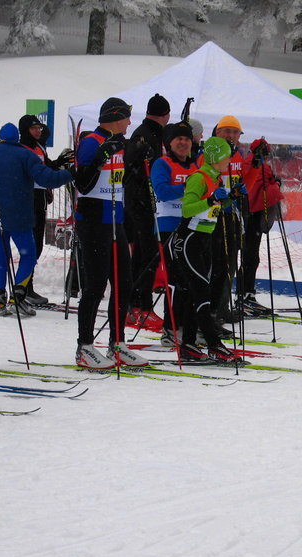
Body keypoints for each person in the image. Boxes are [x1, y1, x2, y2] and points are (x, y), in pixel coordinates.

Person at [73, 96, 148, 370]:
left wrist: (135, 161)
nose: (129, 122)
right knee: (95, 286)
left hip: (116, 218)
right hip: (94, 218)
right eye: (126, 117)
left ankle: (117, 343)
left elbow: (118, 180)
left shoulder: (120, 143)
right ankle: (85, 346)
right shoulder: (92, 141)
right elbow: (82, 183)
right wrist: (102, 155)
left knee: (124, 283)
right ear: (116, 117)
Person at [0, 123, 73, 317]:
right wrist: (71, 173)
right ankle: (17, 297)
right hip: (19, 216)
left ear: (1, 138)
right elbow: (47, 179)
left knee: (1, 259)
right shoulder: (26, 155)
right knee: (28, 256)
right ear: (17, 137)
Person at [165, 136, 242, 362]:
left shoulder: (215, 178)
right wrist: (210, 200)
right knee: (201, 293)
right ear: (216, 157)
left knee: (194, 293)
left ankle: (188, 344)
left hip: (204, 239)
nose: (229, 161)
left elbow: (215, 207)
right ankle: (213, 344)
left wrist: (232, 197)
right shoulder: (199, 178)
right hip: (189, 239)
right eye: (226, 157)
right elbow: (187, 210)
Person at [150, 120, 204, 357]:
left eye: (187, 139)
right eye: (178, 139)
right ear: (169, 143)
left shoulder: (195, 164)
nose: (183, 143)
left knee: (192, 280)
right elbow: (162, 192)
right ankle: (170, 328)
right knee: (176, 280)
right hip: (169, 226)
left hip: (193, 225)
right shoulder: (162, 163)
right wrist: (190, 189)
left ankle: (188, 326)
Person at [123, 93, 171, 333]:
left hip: (145, 201)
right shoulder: (144, 133)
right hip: (141, 202)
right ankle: (140, 306)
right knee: (148, 255)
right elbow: (133, 166)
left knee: (144, 254)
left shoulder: (155, 133)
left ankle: (135, 305)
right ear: (165, 115)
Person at [18, 114, 75, 305]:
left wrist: (59, 162)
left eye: (39, 128)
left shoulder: (38, 146)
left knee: (36, 246)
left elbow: (46, 167)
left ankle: (26, 287)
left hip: (40, 199)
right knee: (30, 247)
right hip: (29, 200)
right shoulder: (24, 149)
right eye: (34, 128)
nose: (38, 131)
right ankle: (23, 288)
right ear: (25, 130)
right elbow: (38, 171)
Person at [239, 138, 284, 316]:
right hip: (252, 215)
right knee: (250, 258)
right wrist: (275, 186)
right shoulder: (254, 164)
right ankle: (245, 297)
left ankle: (247, 296)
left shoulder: (255, 163)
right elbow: (256, 190)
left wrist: (274, 184)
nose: (267, 155)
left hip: (253, 215)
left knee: (251, 258)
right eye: (265, 152)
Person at [210, 115, 245, 331]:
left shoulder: (238, 155)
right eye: (227, 131)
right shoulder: (211, 152)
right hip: (214, 214)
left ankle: (222, 306)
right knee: (217, 265)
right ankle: (212, 309)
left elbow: (241, 179)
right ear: (218, 132)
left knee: (231, 262)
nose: (231, 136)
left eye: (235, 132)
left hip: (232, 213)